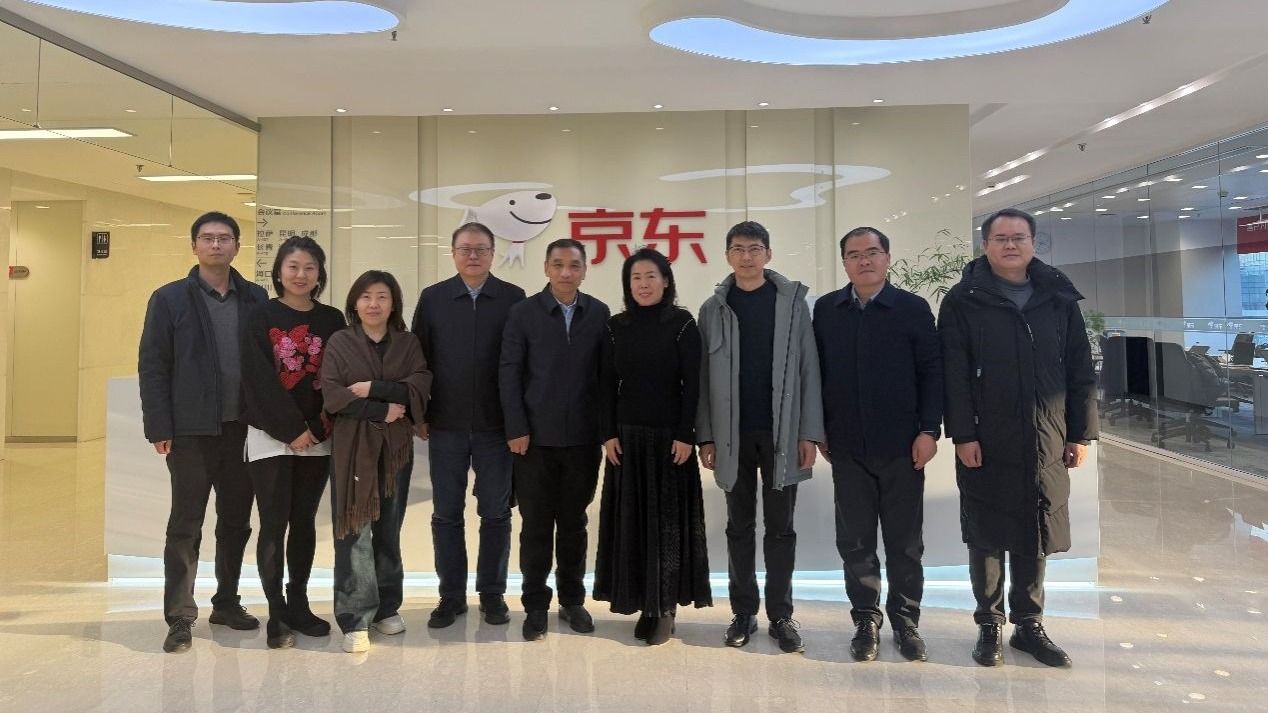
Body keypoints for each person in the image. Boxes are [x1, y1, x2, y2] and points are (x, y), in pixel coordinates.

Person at [939, 207, 1098, 668]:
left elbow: (1080, 368)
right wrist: (963, 433)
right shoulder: (963, 300)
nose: (1010, 245)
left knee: (1037, 525)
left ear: (1033, 243)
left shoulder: (1058, 297)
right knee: (986, 530)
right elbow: (953, 374)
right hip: (986, 435)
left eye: (1019, 237)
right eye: (1001, 238)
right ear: (985, 245)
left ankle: (1029, 624)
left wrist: (1079, 433)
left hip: (1047, 433)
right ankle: (989, 623)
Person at [139, 211, 270, 654]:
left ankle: (227, 602)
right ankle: (179, 616)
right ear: (194, 245)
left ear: (237, 246)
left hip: (242, 431)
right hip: (190, 432)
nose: (216, 245)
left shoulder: (255, 297)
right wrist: (159, 425)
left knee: (236, 522)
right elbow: (153, 365)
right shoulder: (169, 298)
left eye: (224, 238)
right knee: (185, 525)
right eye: (208, 238)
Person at [812, 227, 943, 663]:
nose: (864, 261)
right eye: (854, 255)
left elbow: (932, 372)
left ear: (887, 258)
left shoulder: (912, 308)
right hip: (847, 446)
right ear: (844, 263)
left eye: (872, 252)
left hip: (903, 447)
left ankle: (906, 621)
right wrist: (819, 428)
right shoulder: (827, 310)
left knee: (905, 542)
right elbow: (818, 375)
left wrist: (929, 430)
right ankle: (866, 619)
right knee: (855, 540)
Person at [697, 220, 825, 654]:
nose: (746, 256)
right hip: (731, 436)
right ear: (727, 256)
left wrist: (809, 432)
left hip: (782, 434)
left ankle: (781, 615)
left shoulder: (792, 304)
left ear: (768, 254)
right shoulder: (713, 309)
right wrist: (706, 437)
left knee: (781, 528)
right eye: (738, 249)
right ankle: (743, 612)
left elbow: (809, 368)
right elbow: (702, 380)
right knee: (739, 527)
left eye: (754, 248)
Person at [593, 248, 712, 646]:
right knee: (634, 523)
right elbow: (605, 384)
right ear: (627, 285)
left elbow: (693, 385)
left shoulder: (682, 324)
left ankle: (665, 608)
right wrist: (607, 434)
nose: (643, 284)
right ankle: (644, 603)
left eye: (650, 276)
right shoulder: (616, 326)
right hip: (626, 440)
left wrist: (686, 434)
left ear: (665, 281)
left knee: (667, 527)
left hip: (669, 441)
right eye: (635, 278)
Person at [411, 222, 526, 629]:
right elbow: (418, 360)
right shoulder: (434, 298)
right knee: (446, 514)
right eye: (465, 249)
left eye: (481, 249)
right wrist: (419, 414)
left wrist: (518, 423)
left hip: (497, 427)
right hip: (446, 424)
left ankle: (492, 595)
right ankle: (451, 596)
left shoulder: (513, 298)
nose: (473, 255)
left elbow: (522, 365)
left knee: (496, 513)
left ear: (493, 254)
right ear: (453, 253)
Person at [500, 238, 610, 641]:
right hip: (533, 441)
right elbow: (509, 373)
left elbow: (606, 378)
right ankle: (534, 605)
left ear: (585, 270)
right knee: (535, 526)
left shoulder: (598, 313)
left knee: (574, 524)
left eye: (574, 265)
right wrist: (516, 428)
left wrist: (605, 432)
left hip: (582, 439)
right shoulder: (523, 313)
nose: (566, 272)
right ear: (546, 268)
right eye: (559, 264)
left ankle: (572, 600)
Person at [239, 236, 346, 648]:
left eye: (309, 267)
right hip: (269, 435)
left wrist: (315, 429)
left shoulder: (333, 319)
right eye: (293, 266)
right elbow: (256, 380)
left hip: (318, 435)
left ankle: (298, 602)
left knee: (303, 521)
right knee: (273, 522)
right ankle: (276, 612)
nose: (301, 275)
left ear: (320, 274)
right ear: (279, 271)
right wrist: (291, 429)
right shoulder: (259, 315)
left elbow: (338, 378)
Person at [320, 270, 431, 654]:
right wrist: (380, 409)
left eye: (382, 296)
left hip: (395, 452)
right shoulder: (340, 341)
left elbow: (419, 385)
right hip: (353, 448)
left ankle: (386, 608)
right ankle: (355, 618)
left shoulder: (407, 342)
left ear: (394, 303)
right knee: (354, 529)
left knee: (388, 530)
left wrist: (373, 389)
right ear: (355, 302)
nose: (373, 304)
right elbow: (333, 395)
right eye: (366, 296)